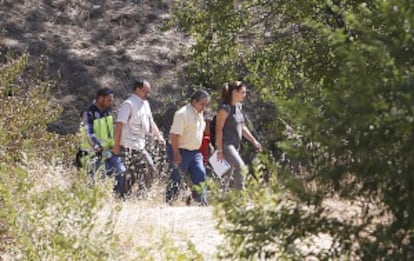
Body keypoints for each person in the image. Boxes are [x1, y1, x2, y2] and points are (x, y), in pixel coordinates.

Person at [113, 79, 165, 196]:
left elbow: (151, 122)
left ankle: (129, 196)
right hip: (128, 145)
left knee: (136, 172)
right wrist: (116, 145)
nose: (147, 94)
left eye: (148, 91)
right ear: (136, 89)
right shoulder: (128, 104)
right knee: (145, 168)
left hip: (139, 144)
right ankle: (130, 196)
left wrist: (159, 136)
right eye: (144, 91)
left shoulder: (145, 104)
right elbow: (119, 125)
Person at [214, 81, 262, 190]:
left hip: (236, 145)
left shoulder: (239, 106)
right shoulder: (224, 108)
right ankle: (240, 195)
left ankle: (221, 199)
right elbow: (218, 129)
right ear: (235, 92)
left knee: (226, 175)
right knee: (241, 167)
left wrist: (254, 141)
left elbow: (242, 126)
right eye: (243, 92)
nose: (245, 95)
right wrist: (220, 150)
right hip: (226, 145)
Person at [165, 90, 210, 205]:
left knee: (200, 174)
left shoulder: (200, 114)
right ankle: (170, 203)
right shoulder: (182, 114)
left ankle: (202, 203)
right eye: (202, 104)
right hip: (180, 150)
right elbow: (174, 135)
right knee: (176, 177)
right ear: (194, 102)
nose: (204, 107)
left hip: (195, 153)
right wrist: (176, 153)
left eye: (206, 104)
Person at [78, 87, 125, 194]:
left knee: (121, 171)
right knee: (93, 179)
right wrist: (97, 147)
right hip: (92, 153)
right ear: (100, 98)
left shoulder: (107, 112)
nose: (111, 102)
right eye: (109, 100)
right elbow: (89, 133)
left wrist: (115, 144)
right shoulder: (88, 113)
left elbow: (110, 131)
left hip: (109, 151)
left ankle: (117, 198)